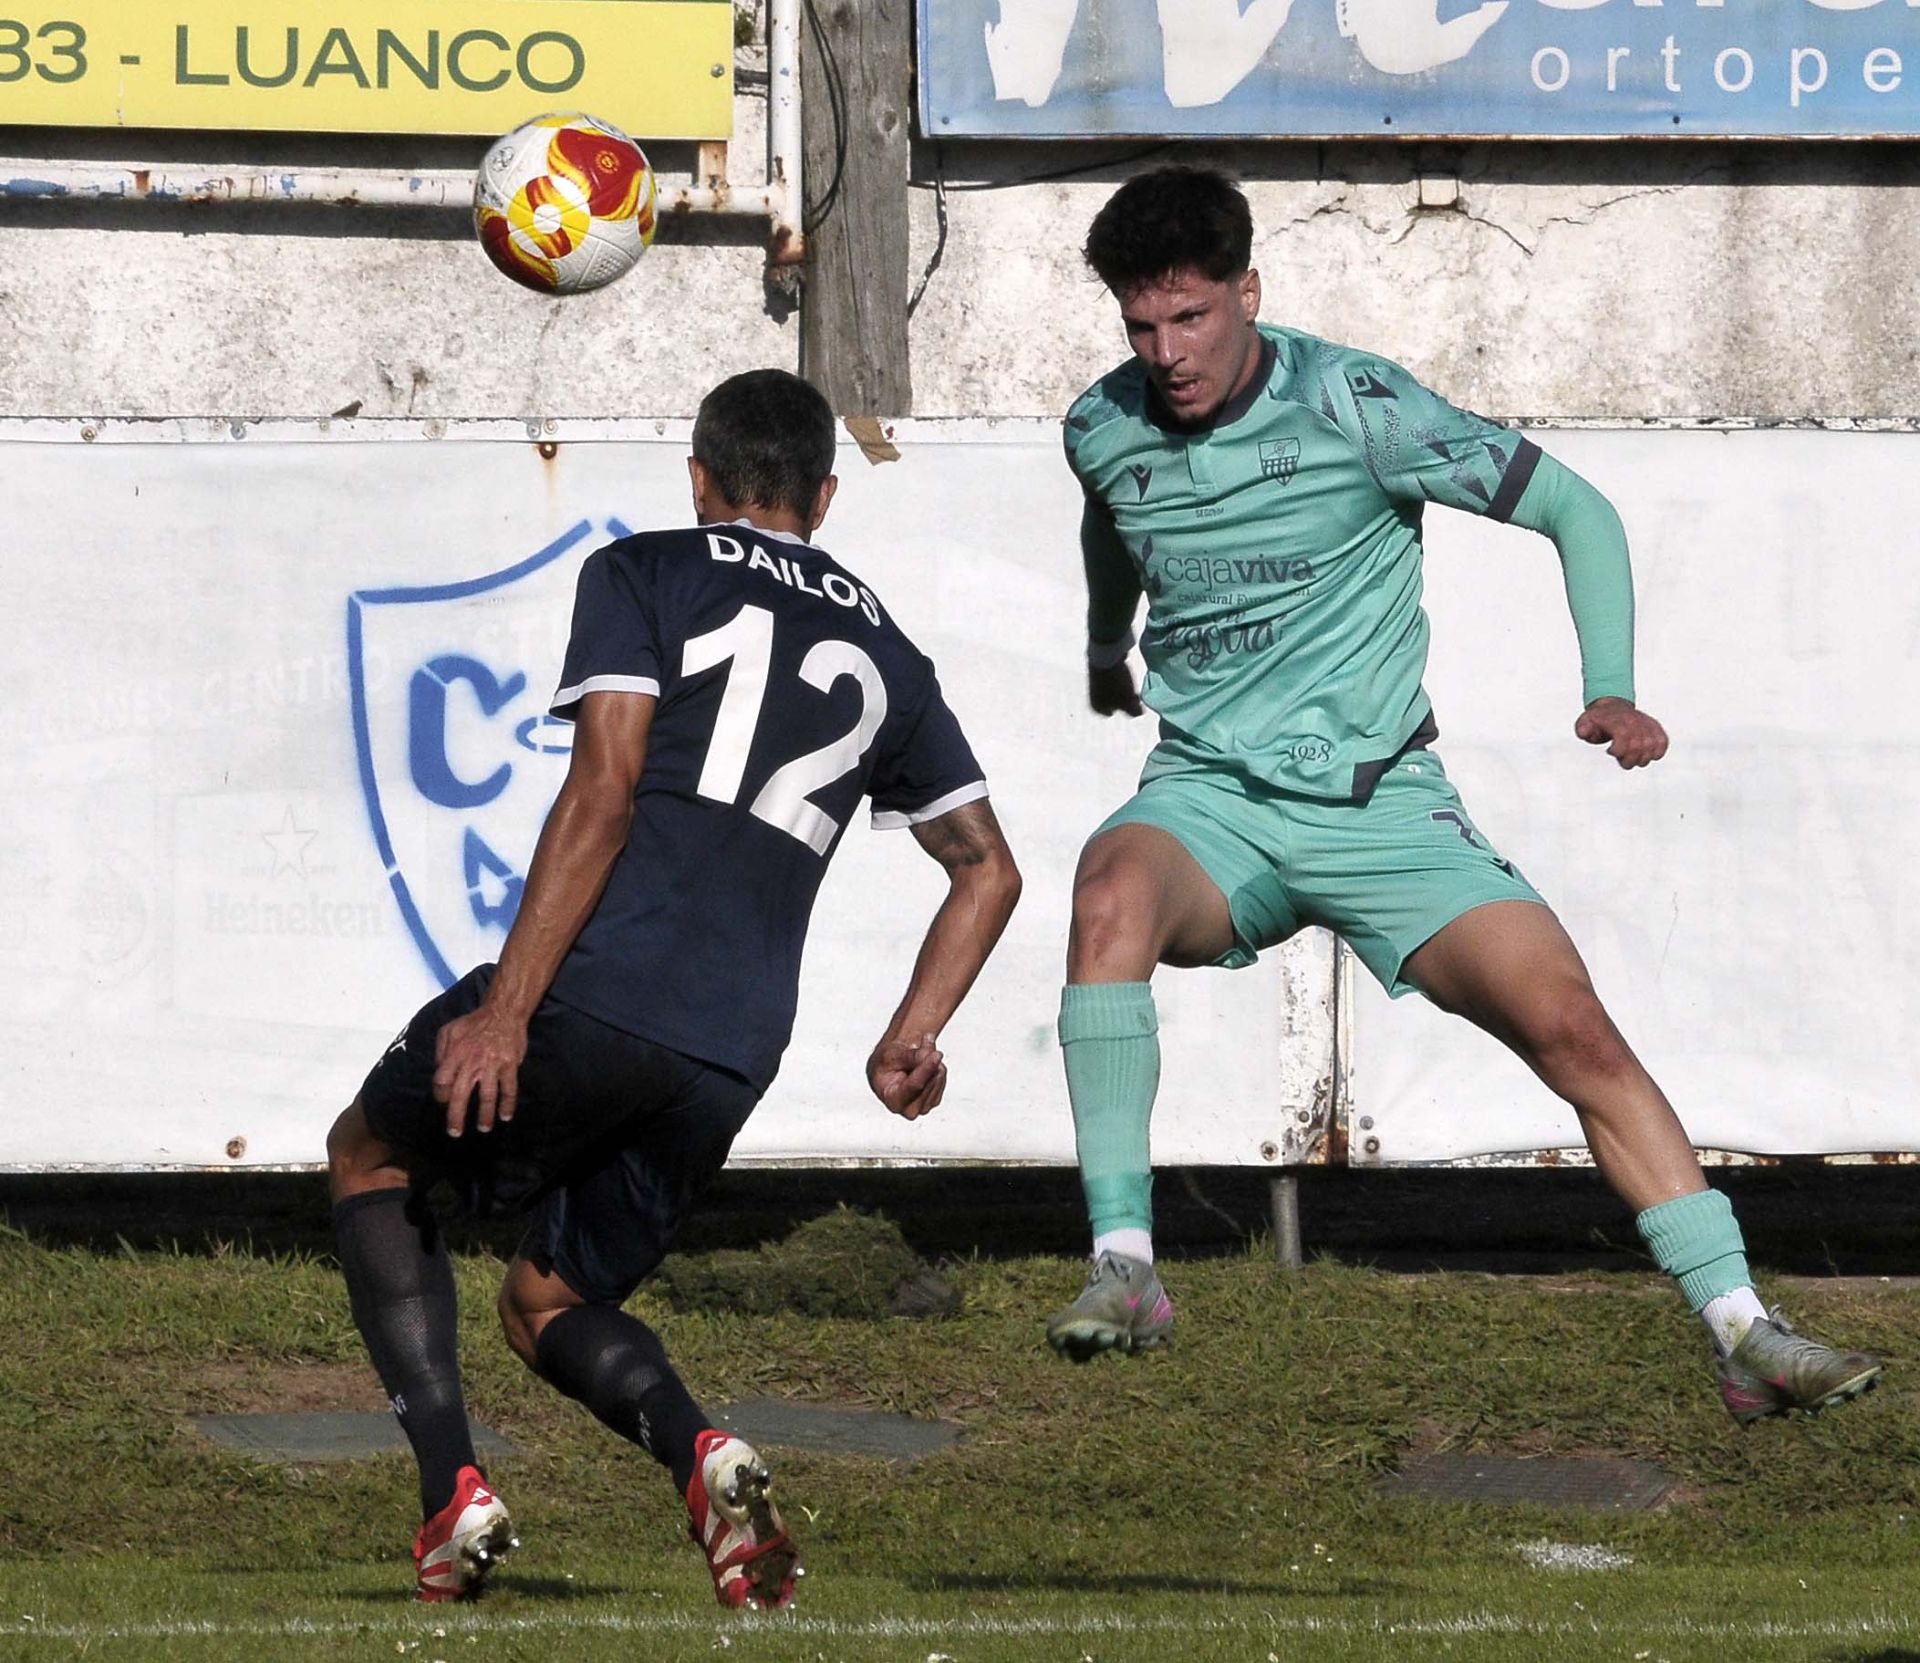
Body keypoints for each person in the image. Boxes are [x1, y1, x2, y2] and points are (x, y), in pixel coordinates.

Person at [1044, 165, 1882, 1426]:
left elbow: (1574, 507)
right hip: (1211, 802)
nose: (1168, 354)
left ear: (1248, 293)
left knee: (1576, 1032)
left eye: (1193, 320)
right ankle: (1129, 1267)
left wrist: (1613, 686)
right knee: (1107, 895)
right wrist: (1111, 645)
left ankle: (1744, 1329)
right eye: (1142, 328)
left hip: (1385, 810)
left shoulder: (1357, 402)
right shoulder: (1100, 425)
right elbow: (1116, 522)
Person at [326, 369, 1021, 1607]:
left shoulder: (648, 571)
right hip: (730, 1051)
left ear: (697, 479)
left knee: (370, 1156)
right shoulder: (890, 654)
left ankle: (449, 1497)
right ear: (824, 495)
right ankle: (707, 1454)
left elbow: (603, 788)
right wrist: (911, 1035)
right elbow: (989, 871)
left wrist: (507, 1007)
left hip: (598, 988)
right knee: (552, 1297)